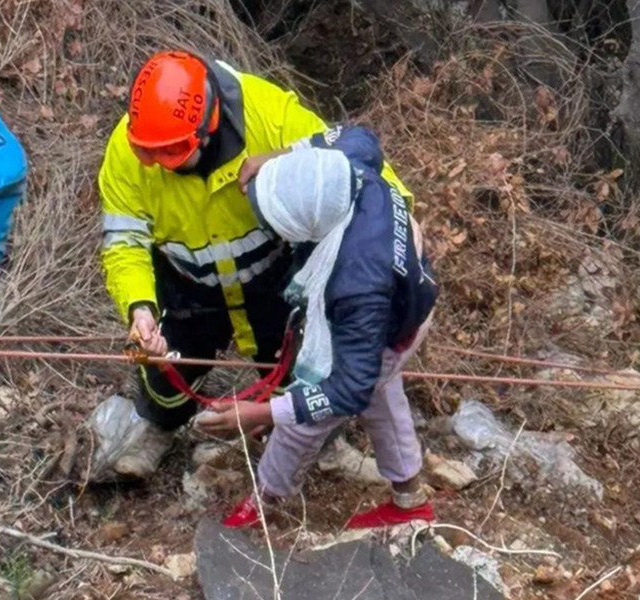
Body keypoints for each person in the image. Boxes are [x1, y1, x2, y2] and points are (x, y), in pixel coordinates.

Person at [95, 48, 417, 479]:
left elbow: (363, 173)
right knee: (167, 370)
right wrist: (139, 306)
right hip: (186, 282)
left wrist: (393, 244)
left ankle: (317, 447)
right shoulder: (128, 149)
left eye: (171, 152)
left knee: (299, 368)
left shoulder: (271, 115)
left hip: (276, 275)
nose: (156, 165)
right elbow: (124, 241)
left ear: (207, 127)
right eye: (148, 153)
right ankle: (159, 428)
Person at [197, 124, 439, 530]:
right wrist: (276, 158)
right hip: (409, 292)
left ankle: (263, 504)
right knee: (382, 390)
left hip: (391, 318)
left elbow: (349, 389)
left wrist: (262, 411)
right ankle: (410, 500)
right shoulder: (349, 165)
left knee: (304, 417)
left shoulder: (355, 284)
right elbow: (360, 134)